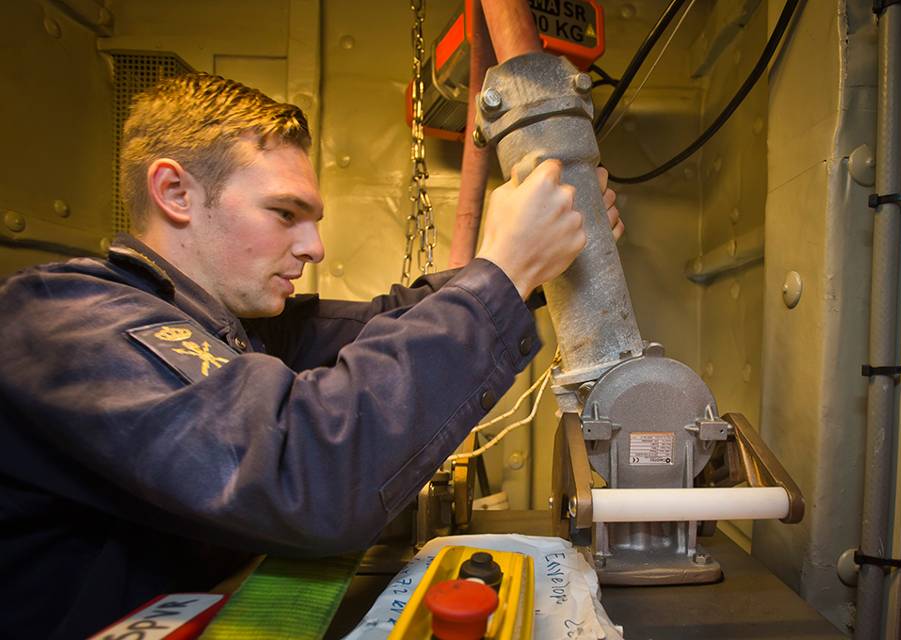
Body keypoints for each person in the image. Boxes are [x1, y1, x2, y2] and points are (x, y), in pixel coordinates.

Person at [0, 73, 622, 638]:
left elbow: (388, 321)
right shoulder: (65, 319)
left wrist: (533, 262)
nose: (314, 247)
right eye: (285, 213)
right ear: (175, 192)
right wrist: (505, 270)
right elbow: (304, 474)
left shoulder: (233, 326)